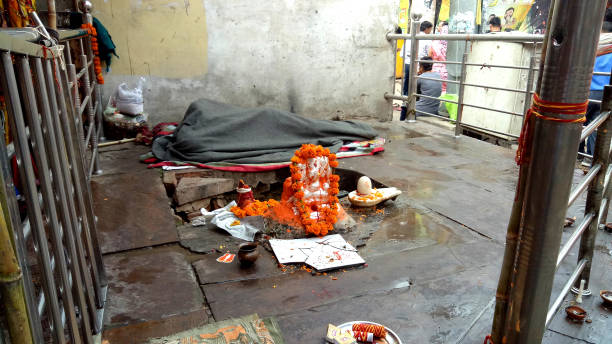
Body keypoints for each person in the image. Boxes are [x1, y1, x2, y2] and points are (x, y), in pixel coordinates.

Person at [580, 9, 612, 165]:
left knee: (580, 122)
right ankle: (589, 158)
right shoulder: (610, 48)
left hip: (587, 90)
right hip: (603, 93)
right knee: (595, 125)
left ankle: (577, 153)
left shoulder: (594, 44)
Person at [400, 21, 434, 120]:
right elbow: (429, 54)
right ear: (427, 28)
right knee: (417, 90)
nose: (430, 31)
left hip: (407, 64)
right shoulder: (426, 39)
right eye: (430, 29)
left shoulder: (410, 37)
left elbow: (402, 53)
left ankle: (403, 115)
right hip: (420, 66)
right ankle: (413, 114)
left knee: (406, 90)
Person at [430, 22, 448, 92]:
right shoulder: (453, 44)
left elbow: (430, 54)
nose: (438, 28)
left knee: (435, 91)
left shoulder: (435, 42)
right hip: (448, 71)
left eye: (439, 26)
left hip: (435, 71)